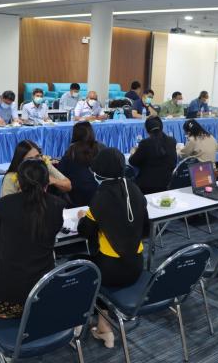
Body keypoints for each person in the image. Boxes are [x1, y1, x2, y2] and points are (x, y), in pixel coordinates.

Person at [0, 159, 65, 324]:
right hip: (43, 292)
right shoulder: (57, 205)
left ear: (19, 183)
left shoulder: (4, 204)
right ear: (47, 182)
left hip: (4, 297)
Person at [77, 148, 149, 348]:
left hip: (111, 271)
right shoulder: (134, 189)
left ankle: (77, 324)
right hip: (136, 265)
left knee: (79, 267)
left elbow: (85, 231)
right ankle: (103, 327)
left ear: (99, 170)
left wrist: (83, 217)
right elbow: (145, 228)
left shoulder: (101, 196)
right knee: (100, 266)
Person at [1, 140, 71, 197]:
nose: (35, 161)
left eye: (37, 156)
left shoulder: (44, 165)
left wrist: (53, 180)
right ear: (20, 161)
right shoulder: (10, 177)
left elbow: (68, 186)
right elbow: (5, 205)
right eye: (30, 159)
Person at [59, 122, 105, 207]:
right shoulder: (101, 147)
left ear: (74, 134)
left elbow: (61, 173)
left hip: (77, 196)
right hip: (100, 194)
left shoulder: (71, 151)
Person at [129, 116, 177, 194]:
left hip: (147, 187)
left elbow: (132, 162)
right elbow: (173, 163)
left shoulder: (145, 143)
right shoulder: (172, 141)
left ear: (147, 130)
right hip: (167, 183)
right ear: (161, 127)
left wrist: (133, 152)